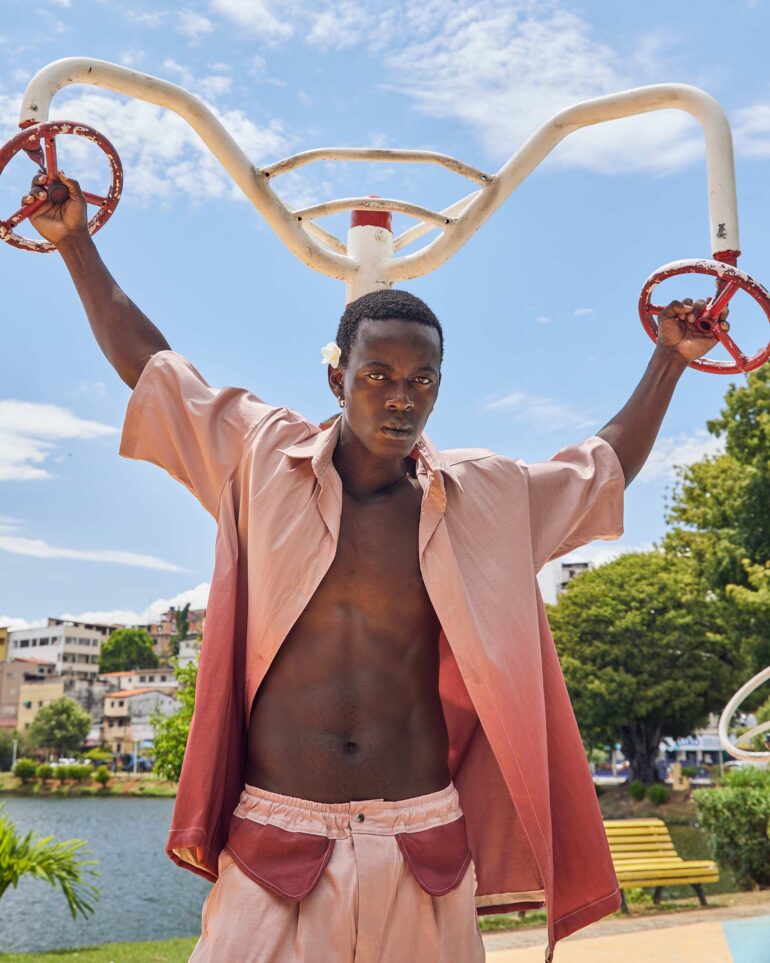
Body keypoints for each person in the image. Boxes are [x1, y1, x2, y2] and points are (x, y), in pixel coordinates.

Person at [24, 172, 728, 963]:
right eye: (378, 376)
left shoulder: (480, 500)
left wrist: (670, 359)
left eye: (422, 380)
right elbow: (153, 366)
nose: (401, 399)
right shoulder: (262, 456)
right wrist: (75, 242)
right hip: (276, 837)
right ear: (337, 377)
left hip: (421, 839)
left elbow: (600, 468)